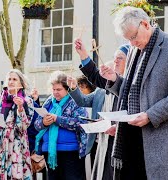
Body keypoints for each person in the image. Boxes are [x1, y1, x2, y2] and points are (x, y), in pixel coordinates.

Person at [100, 6, 168, 180]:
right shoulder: (135, 51)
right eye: (128, 40)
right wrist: (114, 80)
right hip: (131, 140)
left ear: (145, 24)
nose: (132, 43)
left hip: (160, 145)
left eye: (133, 37)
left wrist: (150, 115)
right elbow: (132, 92)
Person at [74, 37, 130, 180]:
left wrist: (119, 126)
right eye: (114, 58)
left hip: (124, 147)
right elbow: (94, 75)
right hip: (105, 144)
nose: (116, 61)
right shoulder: (110, 81)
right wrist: (83, 55)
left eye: (120, 58)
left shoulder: (134, 83)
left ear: (130, 61)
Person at [0, 69, 34, 180]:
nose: (11, 82)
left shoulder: (27, 100)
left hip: (16, 145)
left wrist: (20, 108)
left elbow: (24, 126)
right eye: (9, 79)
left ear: (21, 83)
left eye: (14, 79)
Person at [34, 71, 88, 180]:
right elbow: (37, 124)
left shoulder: (75, 100)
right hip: (49, 152)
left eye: (59, 89)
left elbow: (81, 123)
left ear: (67, 89)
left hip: (70, 152)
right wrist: (44, 122)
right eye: (53, 89)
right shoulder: (49, 101)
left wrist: (57, 119)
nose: (55, 92)